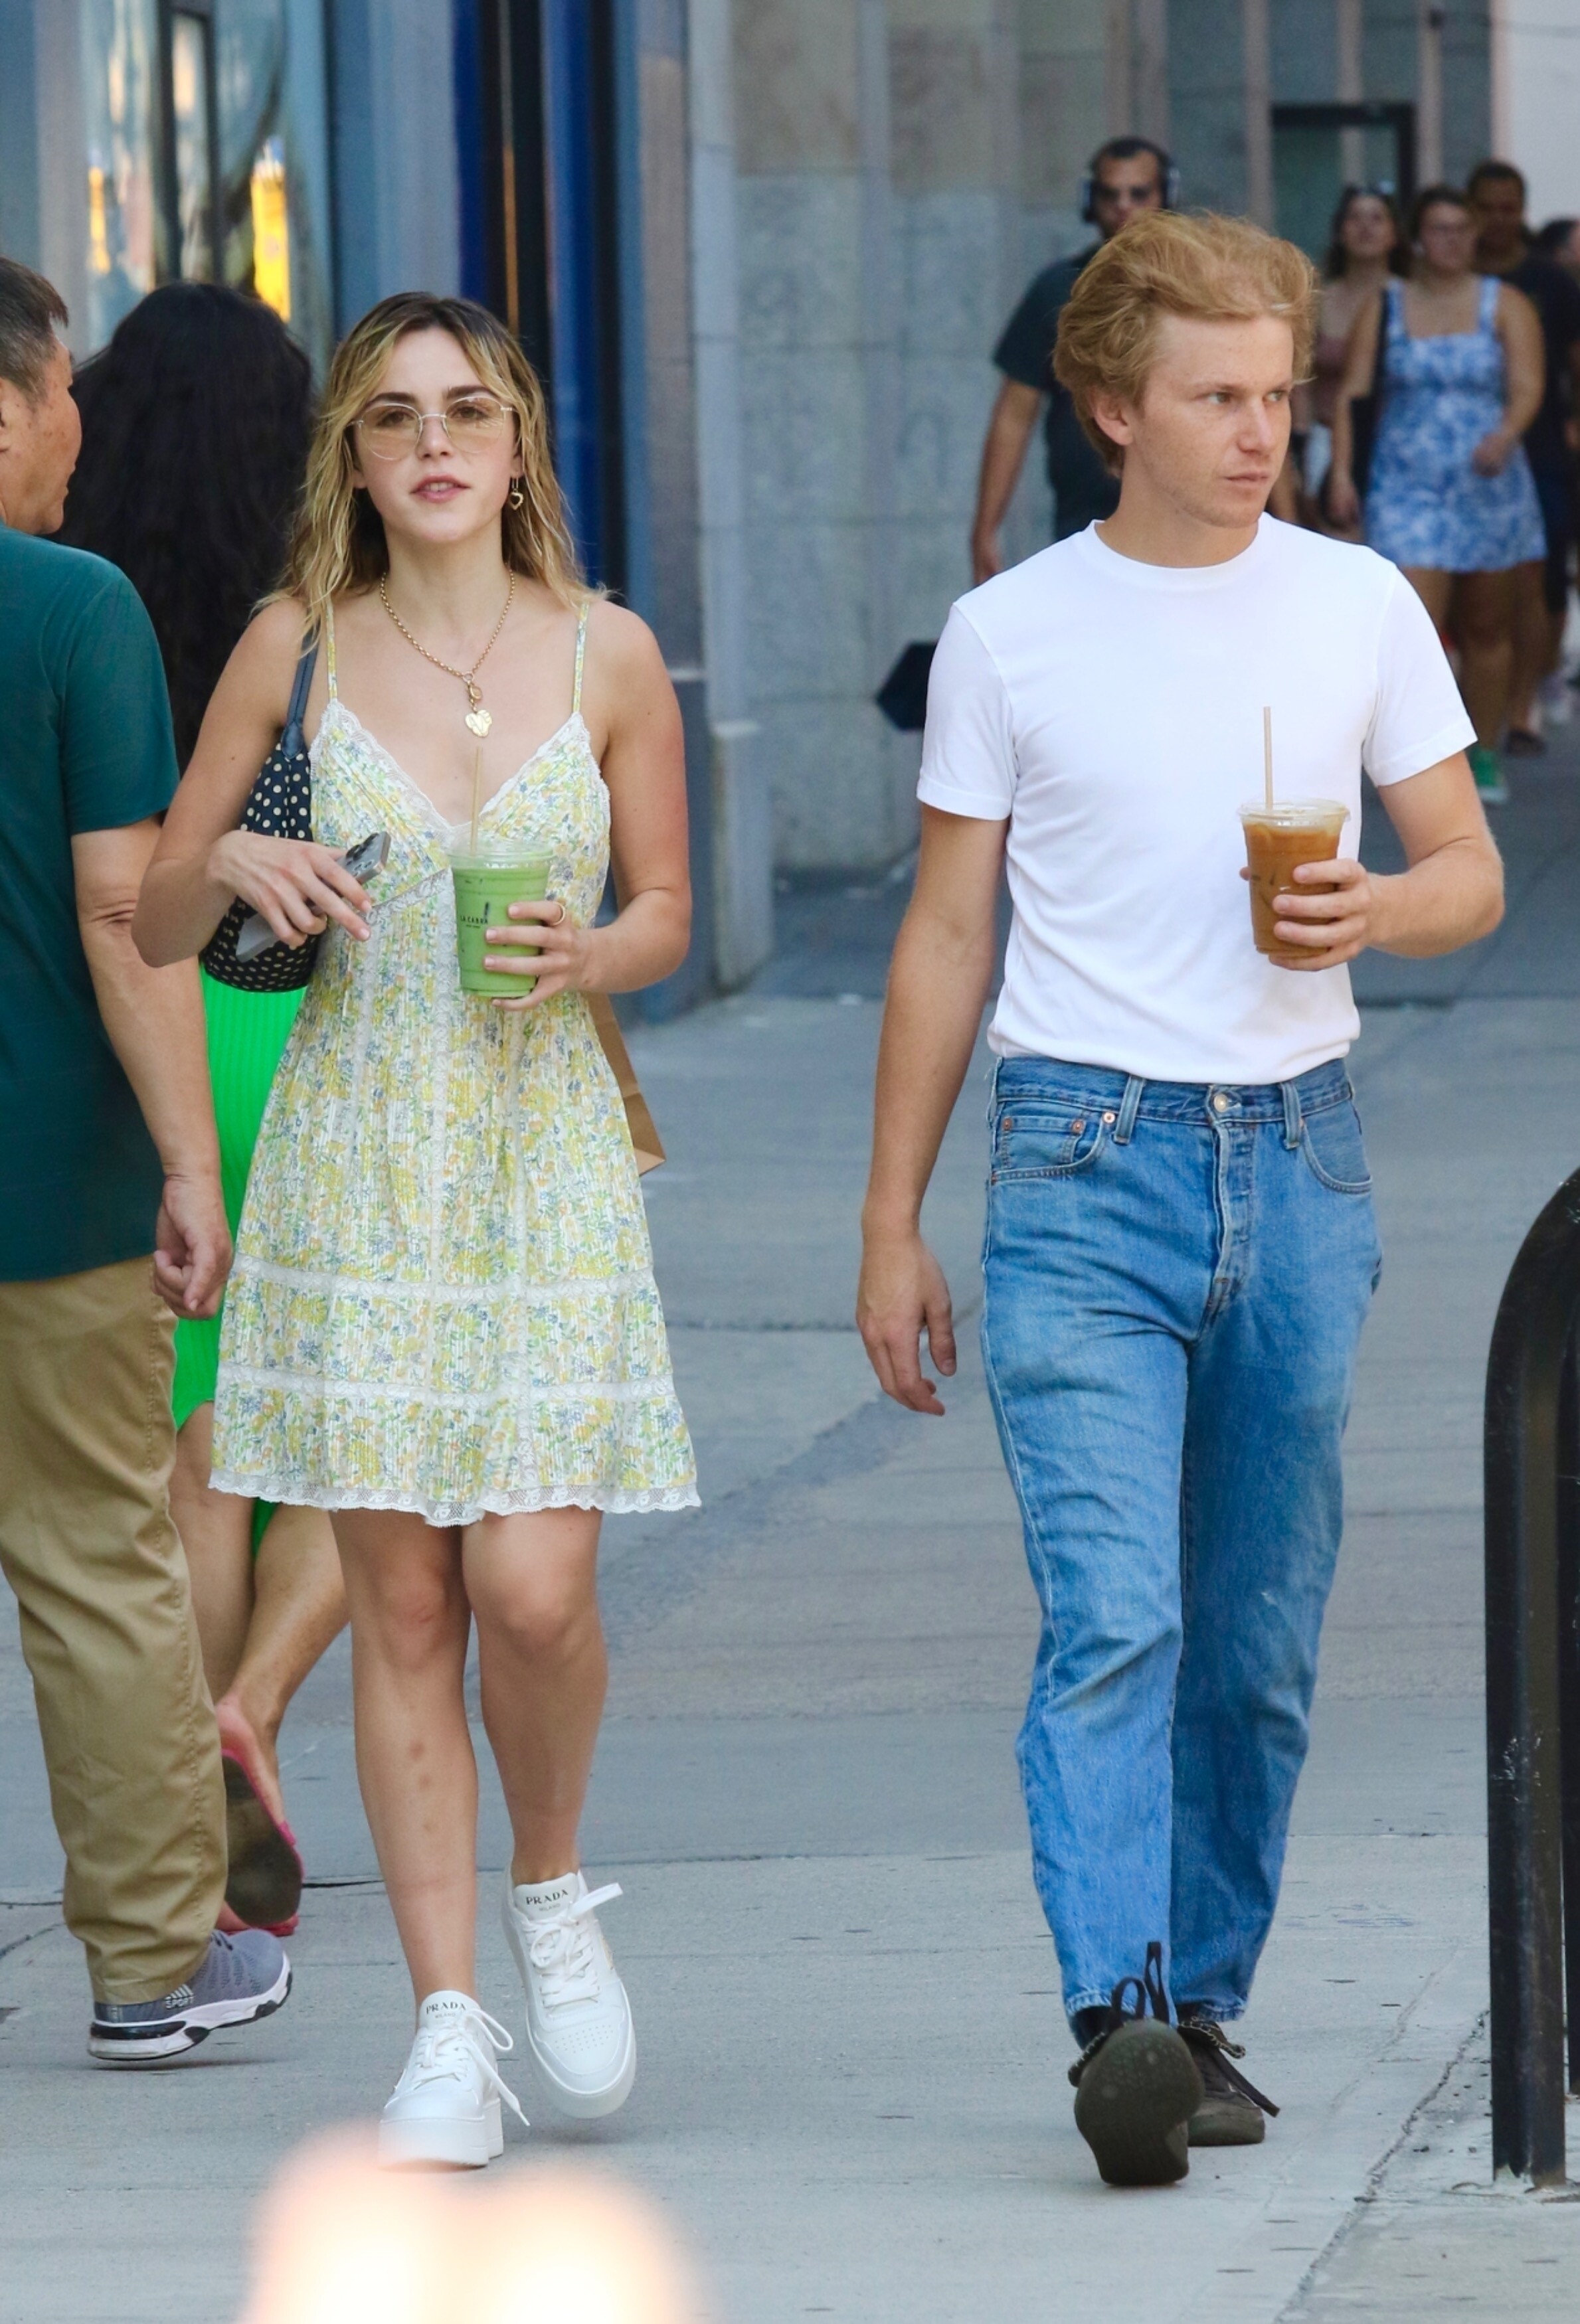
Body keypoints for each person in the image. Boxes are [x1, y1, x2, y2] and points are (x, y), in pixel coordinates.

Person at [857, 212, 1502, 2189]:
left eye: (1278, 394)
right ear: (1110, 406)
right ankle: (1117, 2017)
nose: (1256, 433)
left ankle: (1198, 2005)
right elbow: (945, 932)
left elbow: (1465, 868)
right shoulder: (1009, 632)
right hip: (1079, 1162)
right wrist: (890, 1216)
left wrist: (1375, 908)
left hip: (1297, 1158)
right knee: (1113, 1614)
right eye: (1215, 396)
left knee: (1253, 1640)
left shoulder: (1354, 603)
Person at [133, 292, 697, 2166]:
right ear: (355, 460)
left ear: (518, 445)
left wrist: (594, 951)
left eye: (467, 411)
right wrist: (234, 855)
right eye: (394, 418)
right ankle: (447, 2022)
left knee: (534, 1594)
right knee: (398, 1605)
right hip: (357, 1163)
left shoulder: (610, 651)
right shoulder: (293, 644)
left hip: (541, 1170)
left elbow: (667, 907)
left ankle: (551, 1886)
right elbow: (153, 913)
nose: (434, 442)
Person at [0, 257, 291, 2061]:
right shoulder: (71, 607)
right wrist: (192, 1160)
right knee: (96, 1559)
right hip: (49, 1186)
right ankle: (151, 1958)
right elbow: (125, 912)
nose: (76, 430)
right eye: (55, 393)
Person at [59, 282, 345, 1937]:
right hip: (296, 1024)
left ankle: (187, 1791)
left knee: (197, 1444)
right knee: (343, 1430)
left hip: (153, 1026)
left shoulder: (77, 596)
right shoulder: (314, 618)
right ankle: (255, 1719)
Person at [1330, 185, 1545, 806]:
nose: (1450, 241)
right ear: (1418, 238)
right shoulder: (1387, 303)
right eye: (1437, 229)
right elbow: (1351, 392)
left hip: (1487, 482)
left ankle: (1482, 752)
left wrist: (1506, 434)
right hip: (1407, 483)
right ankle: (1418, 755)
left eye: (1460, 228)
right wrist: (1341, 471)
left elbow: (1528, 384)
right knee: (1412, 626)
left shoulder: (1504, 303)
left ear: (1475, 235)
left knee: (1486, 624)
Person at [970, 136, 1174, 581]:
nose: (1123, 207)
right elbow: (1014, 414)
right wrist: (985, 529)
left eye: (1139, 193)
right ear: (1089, 201)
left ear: (1165, 195)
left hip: (1183, 512)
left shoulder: (1197, 288)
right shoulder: (1055, 290)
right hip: (1083, 520)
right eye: (1109, 194)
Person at [1468, 161, 1580, 752]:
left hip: (1539, 445)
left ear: (1522, 209)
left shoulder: (1549, 280)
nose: (1497, 218)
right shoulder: (1447, 274)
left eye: (1507, 207)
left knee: (1538, 574)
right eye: (1485, 207)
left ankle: (1522, 704)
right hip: (1459, 449)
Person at [1293, 185, 1403, 535]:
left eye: (1377, 218)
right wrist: (1299, 445)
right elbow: (1301, 379)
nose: (1366, 227)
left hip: (1394, 442)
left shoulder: (1410, 300)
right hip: (1325, 440)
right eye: (1355, 218)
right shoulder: (1317, 300)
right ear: (1340, 231)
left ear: (1394, 234)